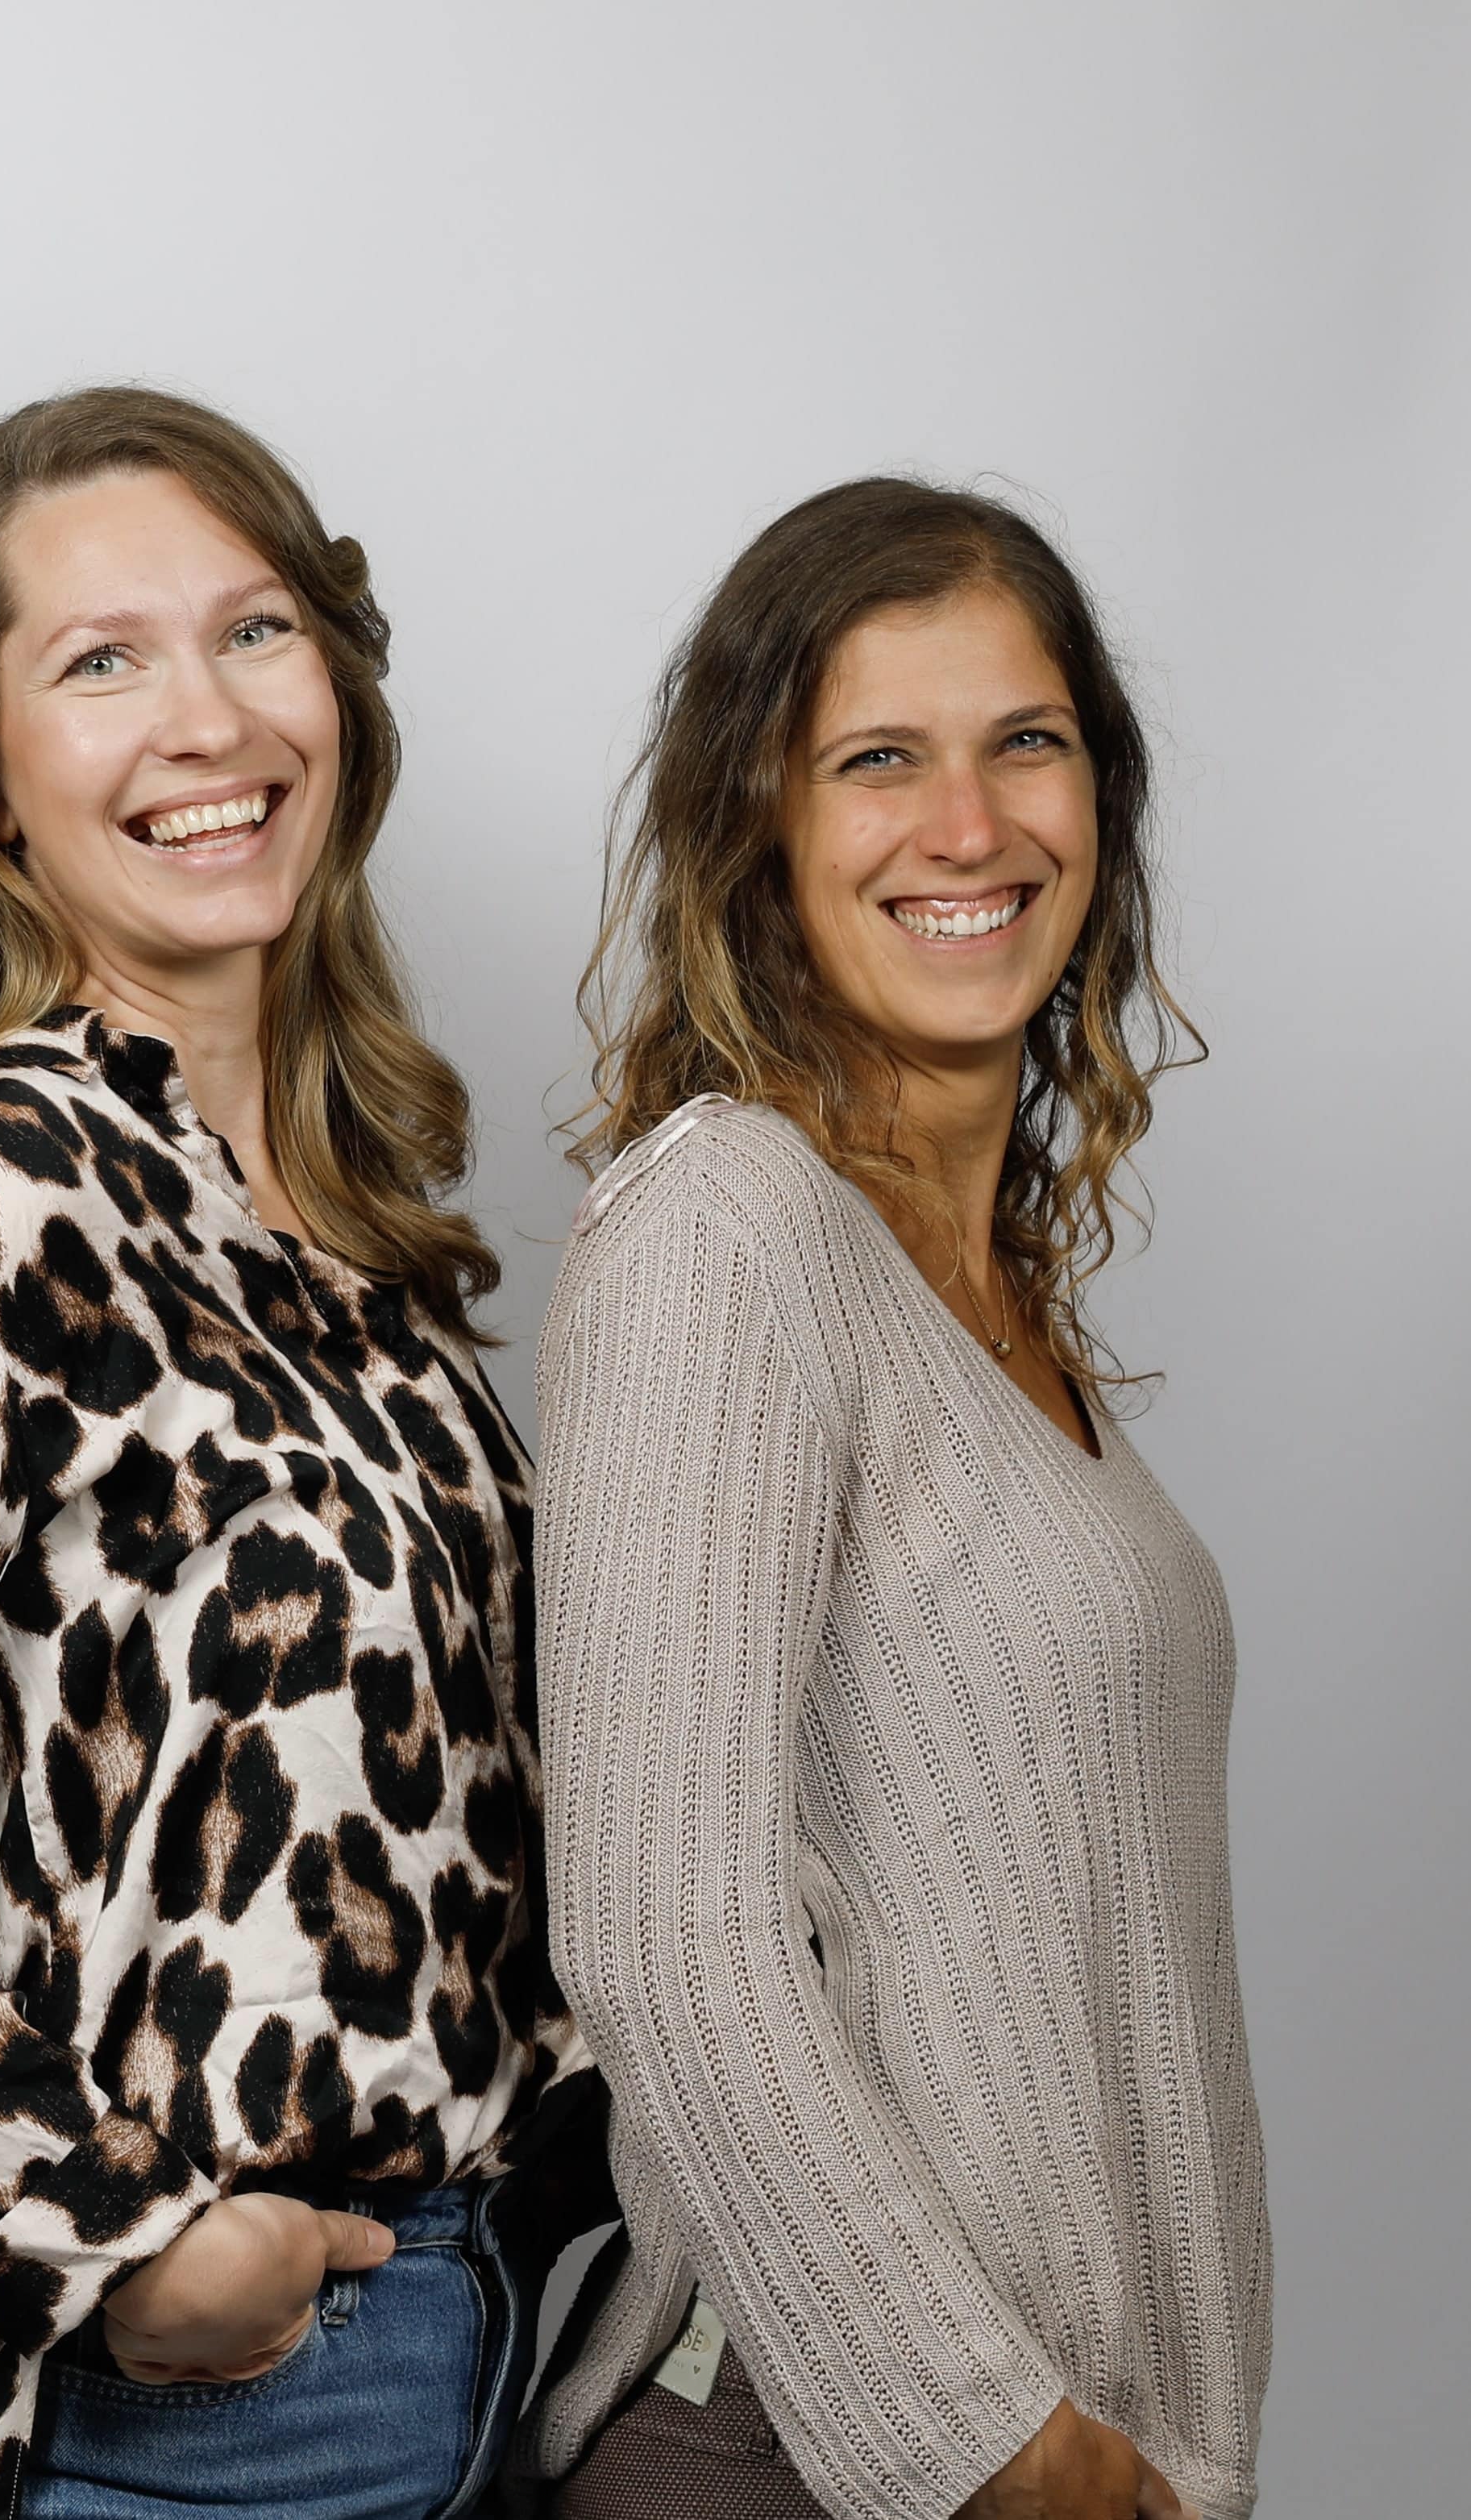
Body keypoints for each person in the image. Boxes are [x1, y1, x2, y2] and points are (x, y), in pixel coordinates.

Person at [0, 388, 582, 2520]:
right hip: (147, 2414)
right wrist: (120, 2244)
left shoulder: (336, 1228)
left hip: (466, 2329)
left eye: (254, 632)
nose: (209, 720)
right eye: (101, 661)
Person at [533, 482, 1256, 2520]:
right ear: (756, 824)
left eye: (1025, 742)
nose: (967, 826)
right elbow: (662, 1937)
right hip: (815, 2457)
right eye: (877, 760)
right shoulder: (729, 1229)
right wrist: (991, 2443)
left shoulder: (977, 1285)